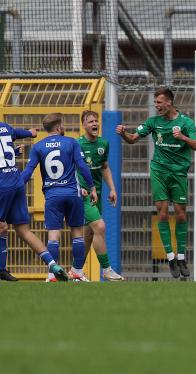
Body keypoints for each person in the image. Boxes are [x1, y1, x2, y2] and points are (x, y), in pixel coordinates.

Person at [116, 87, 196, 280]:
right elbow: (133, 139)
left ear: (169, 102)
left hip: (178, 172)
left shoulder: (186, 122)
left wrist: (182, 137)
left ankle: (181, 257)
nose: (156, 106)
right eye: (155, 103)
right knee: (162, 211)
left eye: (159, 102)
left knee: (180, 213)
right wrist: (123, 134)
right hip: (159, 171)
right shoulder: (153, 122)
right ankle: (170, 257)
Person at [21, 113, 98, 282]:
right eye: (62, 124)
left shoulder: (38, 147)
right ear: (58, 127)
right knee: (77, 233)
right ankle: (77, 272)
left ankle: (52, 275)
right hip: (72, 193)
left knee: (53, 235)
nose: (63, 127)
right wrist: (92, 187)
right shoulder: (71, 142)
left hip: (52, 195)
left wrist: (17, 185)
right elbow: (82, 166)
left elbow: (28, 171)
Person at [0, 122, 68, 282]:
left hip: (2, 183)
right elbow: (20, 134)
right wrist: (30, 133)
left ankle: (1, 269)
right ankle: (52, 264)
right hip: (16, 181)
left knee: (2, 227)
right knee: (22, 230)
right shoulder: (5, 127)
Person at [77, 110, 124, 281]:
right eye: (90, 121)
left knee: (88, 235)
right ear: (84, 125)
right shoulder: (77, 145)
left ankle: (76, 271)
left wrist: (112, 189)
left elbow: (104, 167)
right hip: (83, 194)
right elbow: (71, 169)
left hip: (97, 193)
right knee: (100, 227)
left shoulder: (104, 143)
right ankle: (107, 270)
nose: (95, 124)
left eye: (96, 121)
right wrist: (79, 187)